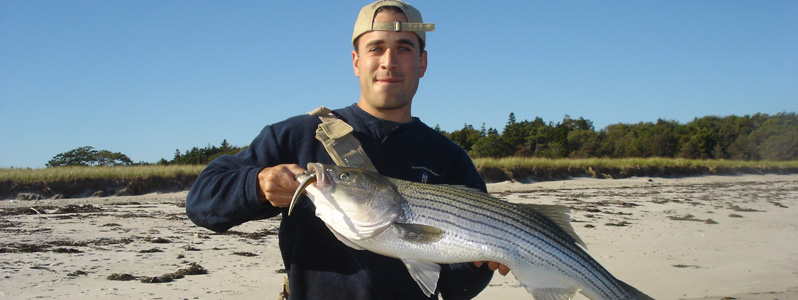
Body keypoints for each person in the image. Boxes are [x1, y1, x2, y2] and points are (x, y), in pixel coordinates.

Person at [186, 1, 507, 299]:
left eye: (404, 48)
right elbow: (202, 202)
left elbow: (455, 288)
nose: (389, 62)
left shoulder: (449, 159)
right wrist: (257, 184)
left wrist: (480, 262)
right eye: (375, 48)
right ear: (356, 61)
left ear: (422, 63)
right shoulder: (299, 135)